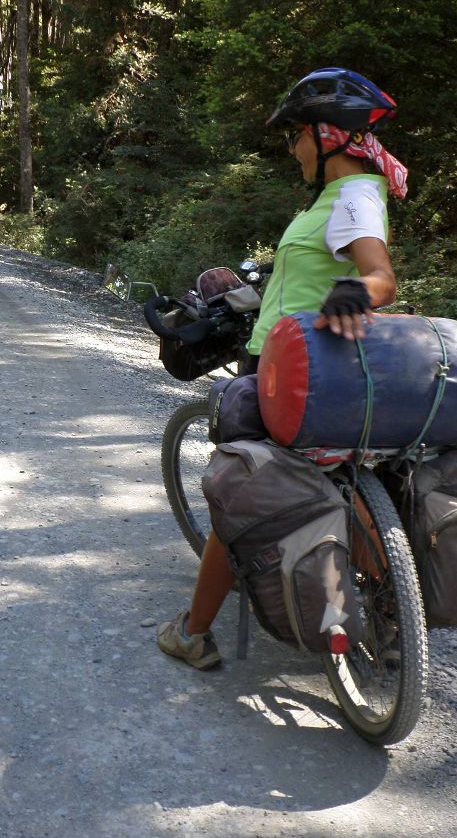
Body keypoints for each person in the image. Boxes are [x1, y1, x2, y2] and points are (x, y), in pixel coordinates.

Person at [157, 67, 408, 668]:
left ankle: (193, 632)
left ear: (328, 136)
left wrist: (362, 292)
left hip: (291, 371)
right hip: (312, 364)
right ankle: (392, 624)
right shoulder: (335, 198)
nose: (291, 147)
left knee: (244, 487)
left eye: (295, 134)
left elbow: (379, 275)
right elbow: (314, 270)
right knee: (335, 482)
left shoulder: (353, 196)